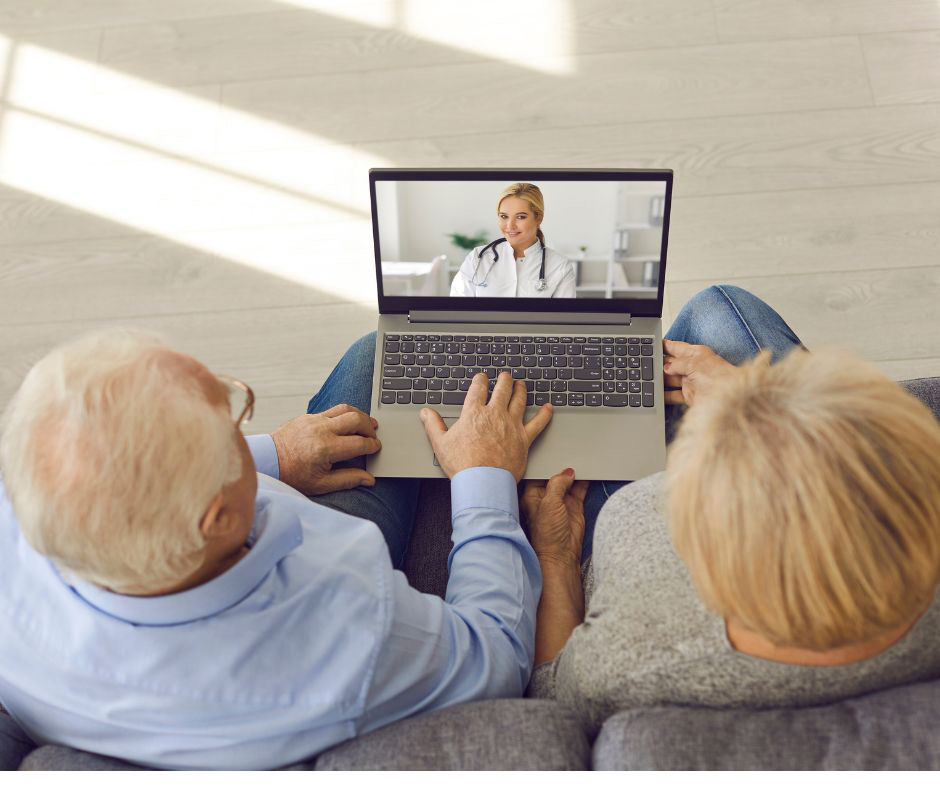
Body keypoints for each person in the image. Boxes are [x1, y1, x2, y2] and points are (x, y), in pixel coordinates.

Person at [0, 328, 553, 770]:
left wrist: (272, 455)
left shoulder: (22, 501)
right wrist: (484, 478)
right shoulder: (350, 632)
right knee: (376, 357)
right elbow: (495, 655)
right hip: (316, 620)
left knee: (384, 356)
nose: (238, 411)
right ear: (218, 519)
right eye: (231, 421)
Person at [520, 285, 940, 732]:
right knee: (715, 309)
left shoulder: (629, 657)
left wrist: (555, 553)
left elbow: (553, 698)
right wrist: (756, 401)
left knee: (711, 312)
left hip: (586, 534)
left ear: (709, 564)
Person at [449, 182, 576, 298]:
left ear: (538, 218)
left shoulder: (559, 267)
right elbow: (456, 312)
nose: (510, 226)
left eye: (520, 217)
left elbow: (563, 320)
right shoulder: (477, 258)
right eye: (504, 216)